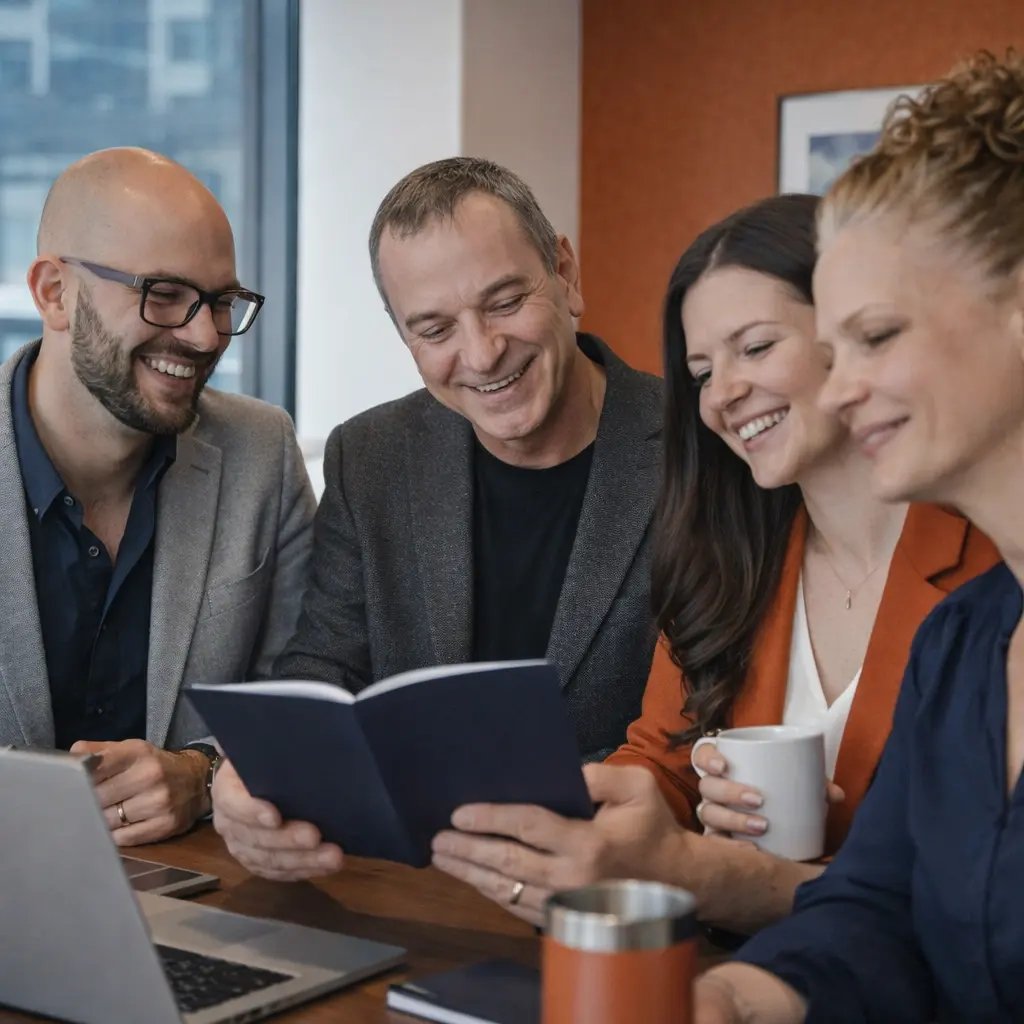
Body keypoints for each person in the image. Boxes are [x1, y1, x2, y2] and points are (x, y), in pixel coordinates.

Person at [429, 194, 997, 936]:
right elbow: (660, 766)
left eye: (756, 348)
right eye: (701, 371)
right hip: (732, 971)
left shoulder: (995, 562)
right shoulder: (726, 563)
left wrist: (723, 874)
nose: (723, 394)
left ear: (856, 334)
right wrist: (632, 816)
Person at [212, 157, 662, 879]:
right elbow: (326, 664)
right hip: (410, 886)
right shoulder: (372, 455)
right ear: (402, 334)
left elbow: (712, 717)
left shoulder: (700, 455)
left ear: (566, 274)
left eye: (506, 300)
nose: (481, 353)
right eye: (435, 328)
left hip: (614, 892)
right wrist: (259, 776)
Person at [694, 50, 1024, 1022]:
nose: (836, 391)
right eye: (830, 352)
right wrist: (734, 998)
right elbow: (877, 907)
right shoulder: (964, 643)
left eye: (876, 337)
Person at [0, 147, 315, 846]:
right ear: (54, 292)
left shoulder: (260, 454)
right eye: (164, 295)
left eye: (222, 302)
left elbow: (306, 699)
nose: (205, 336)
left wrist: (199, 775)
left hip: (203, 902)